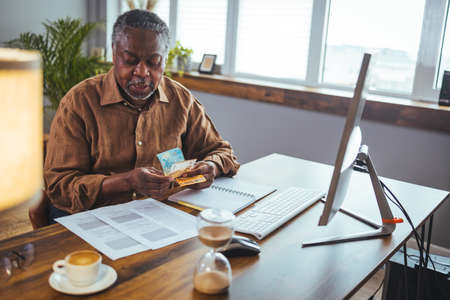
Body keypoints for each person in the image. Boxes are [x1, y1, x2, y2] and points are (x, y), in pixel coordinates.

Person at [44, 9, 240, 222]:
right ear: (114, 53)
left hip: (162, 216)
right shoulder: (79, 102)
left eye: (154, 62)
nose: (142, 72)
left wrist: (211, 167)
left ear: (164, 60)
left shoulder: (180, 99)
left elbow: (222, 152)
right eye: (130, 60)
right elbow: (58, 187)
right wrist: (126, 181)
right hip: (96, 219)